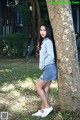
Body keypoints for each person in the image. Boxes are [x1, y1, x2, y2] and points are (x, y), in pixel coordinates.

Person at [32, 24, 57, 118]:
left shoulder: (48, 41)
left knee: (37, 87)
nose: (42, 32)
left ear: (48, 31)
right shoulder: (44, 41)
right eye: (41, 30)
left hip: (50, 67)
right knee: (45, 89)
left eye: (45, 30)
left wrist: (44, 64)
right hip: (50, 67)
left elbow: (51, 55)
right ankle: (42, 110)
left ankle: (47, 107)